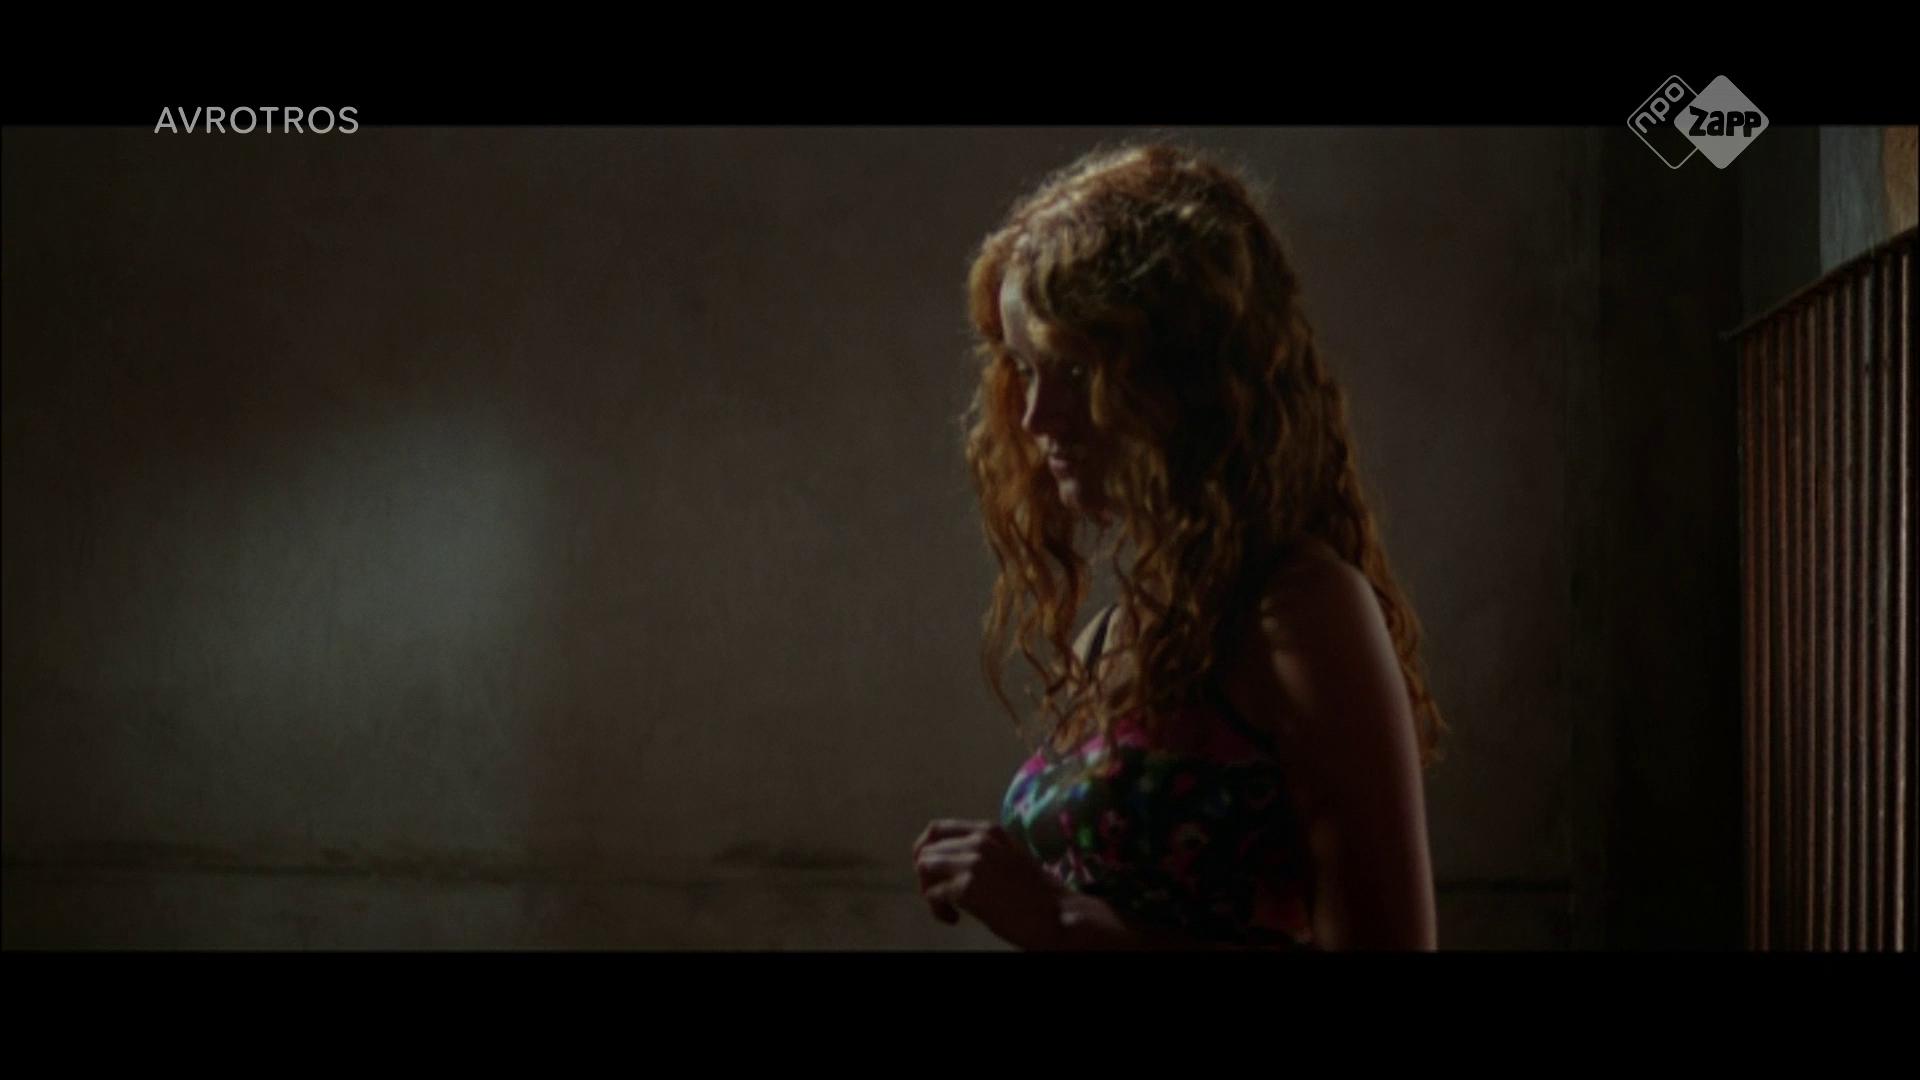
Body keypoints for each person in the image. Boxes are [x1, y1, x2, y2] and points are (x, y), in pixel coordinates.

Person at [911, 143, 1446, 951]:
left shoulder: (1300, 610)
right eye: (1024, 369)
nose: (1035, 418)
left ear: (1180, 374)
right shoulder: (1113, 637)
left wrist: (1057, 920)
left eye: (1075, 371)